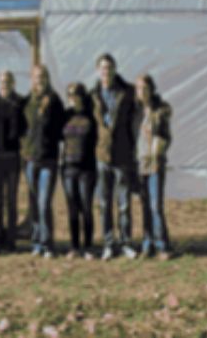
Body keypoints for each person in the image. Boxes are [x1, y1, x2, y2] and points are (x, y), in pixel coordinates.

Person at [90, 53, 138, 261]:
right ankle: (109, 243)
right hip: (102, 156)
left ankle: (126, 242)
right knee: (104, 203)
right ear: (98, 71)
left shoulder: (127, 93)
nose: (106, 71)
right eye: (102, 68)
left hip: (123, 156)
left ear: (115, 69)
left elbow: (135, 122)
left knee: (124, 204)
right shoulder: (93, 95)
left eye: (109, 67)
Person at [22, 65, 65, 259]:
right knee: (33, 202)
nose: (39, 80)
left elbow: (62, 128)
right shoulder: (26, 102)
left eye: (43, 77)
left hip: (48, 159)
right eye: (36, 77)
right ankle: (37, 241)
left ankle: (47, 243)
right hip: (30, 159)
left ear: (47, 79)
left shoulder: (55, 101)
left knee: (43, 202)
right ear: (31, 79)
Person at [0, 70, 26, 252]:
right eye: (2, 80)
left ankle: (11, 239)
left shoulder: (21, 103)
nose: (5, 83)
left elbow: (26, 129)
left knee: (12, 200)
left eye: (8, 80)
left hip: (13, 156)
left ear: (13, 82)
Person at [134, 74, 173, 260]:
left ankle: (162, 245)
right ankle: (147, 244)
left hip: (155, 164)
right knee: (145, 207)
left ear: (151, 89)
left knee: (156, 205)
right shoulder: (135, 111)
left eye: (145, 88)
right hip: (140, 164)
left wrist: (158, 151)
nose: (142, 92)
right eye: (139, 88)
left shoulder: (160, 111)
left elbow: (166, 136)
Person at [60, 82, 98, 260]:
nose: (72, 97)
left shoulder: (91, 117)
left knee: (86, 207)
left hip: (87, 169)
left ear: (82, 96)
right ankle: (74, 246)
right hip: (68, 168)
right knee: (72, 208)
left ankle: (88, 246)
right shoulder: (66, 116)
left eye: (75, 94)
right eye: (69, 94)